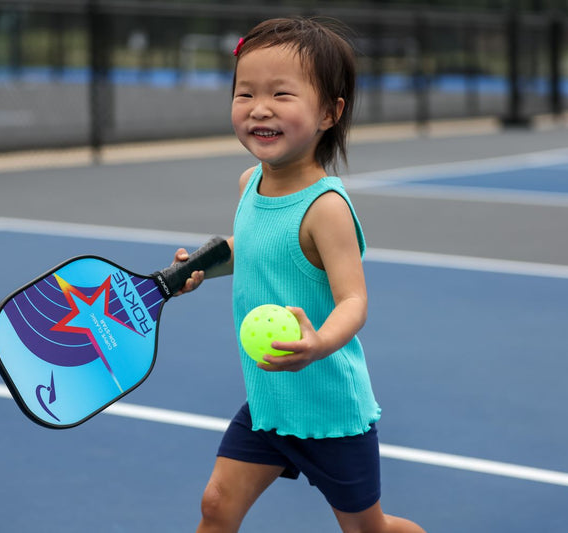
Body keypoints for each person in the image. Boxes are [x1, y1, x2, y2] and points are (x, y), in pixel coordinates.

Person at [173, 17, 426, 533]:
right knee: (216, 505)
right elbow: (253, 247)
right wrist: (200, 266)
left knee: (369, 529)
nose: (259, 108)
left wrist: (318, 343)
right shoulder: (250, 183)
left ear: (330, 112)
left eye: (281, 94)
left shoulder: (326, 207)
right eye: (245, 93)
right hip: (269, 400)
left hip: (329, 411)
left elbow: (353, 300)